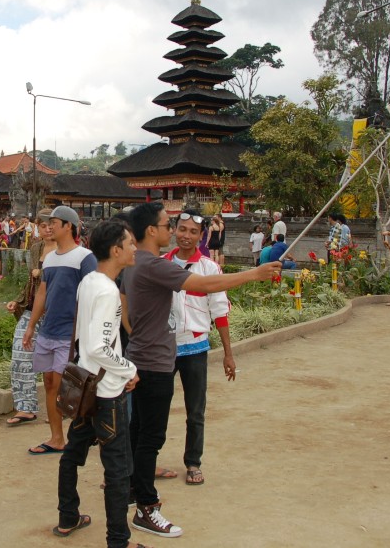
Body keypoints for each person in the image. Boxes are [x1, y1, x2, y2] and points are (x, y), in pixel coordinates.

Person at [122, 202, 281, 538]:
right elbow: (204, 286)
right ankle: (146, 508)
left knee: (140, 430)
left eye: (189, 230)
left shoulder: (137, 261)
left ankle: (133, 489)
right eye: (169, 225)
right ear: (152, 230)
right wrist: (256, 273)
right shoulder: (154, 264)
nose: (175, 232)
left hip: (146, 356)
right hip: (156, 362)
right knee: (151, 436)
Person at [53, 220, 141, 548]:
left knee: (73, 452)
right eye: (130, 243)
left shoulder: (90, 281)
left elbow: (84, 337)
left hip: (84, 386)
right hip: (106, 393)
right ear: (116, 250)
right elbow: (99, 347)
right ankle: (118, 541)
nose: (134, 248)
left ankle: (68, 516)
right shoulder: (106, 291)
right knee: (117, 470)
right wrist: (129, 368)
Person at [162, 212, 232, 486]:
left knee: (196, 410)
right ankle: (149, 460)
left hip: (195, 347)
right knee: (155, 408)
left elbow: (220, 311)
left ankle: (193, 462)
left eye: (193, 231)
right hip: (164, 348)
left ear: (202, 236)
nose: (186, 235)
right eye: (182, 229)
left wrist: (228, 353)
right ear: (174, 230)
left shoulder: (209, 270)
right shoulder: (162, 265)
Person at [23, 206, 97, 456]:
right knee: (48, 382)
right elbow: (42, 292)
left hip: (69, 332)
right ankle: (57, 438)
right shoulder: (51, 258)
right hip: (48, 330)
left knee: (62, 383)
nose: (49, 226)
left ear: (69, 226)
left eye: (54, 222)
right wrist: (32, 325)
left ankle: (80, 435)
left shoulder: (85, 257)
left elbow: (94, 293)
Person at [4, 209, 55, 426]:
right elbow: (31, 282)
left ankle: (61, 407)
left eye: (51, 225)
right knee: (20, 356)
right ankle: (25, 407)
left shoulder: (68, 251)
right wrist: (18, 300)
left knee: (57, 363)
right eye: (42, 226)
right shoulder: (36, 249)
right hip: (32, 309)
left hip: (56, 313)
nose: (47, 229)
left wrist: (42, 274)